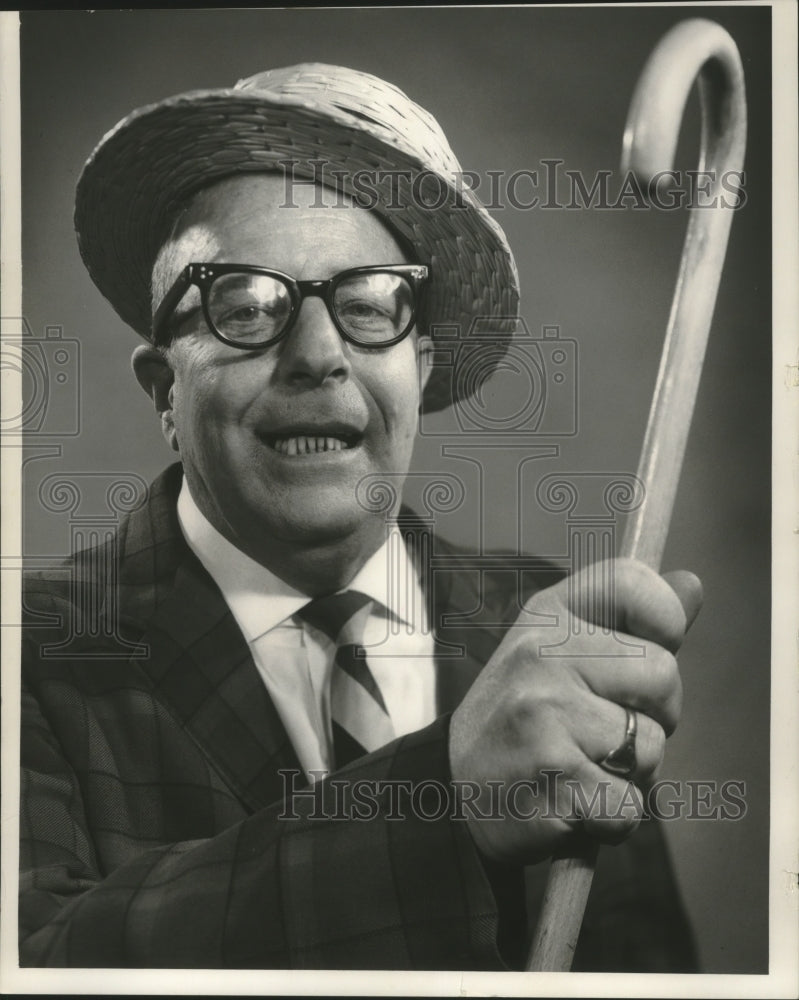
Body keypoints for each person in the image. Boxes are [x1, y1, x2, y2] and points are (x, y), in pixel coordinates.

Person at [20, 63, 701, 971]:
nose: (317, 356)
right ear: (164, 390)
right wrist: (445, 797)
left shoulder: (548, 629)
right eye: (246, 306)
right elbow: (43, 958)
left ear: (418, 366)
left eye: (368, 303)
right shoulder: (27, 651)